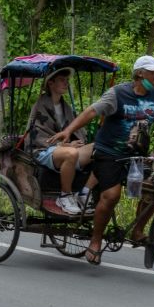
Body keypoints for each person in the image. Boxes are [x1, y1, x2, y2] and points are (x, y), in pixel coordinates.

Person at [49, 55, 154, 266]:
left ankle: (137, 231)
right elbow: (92, 111)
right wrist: (68, 130)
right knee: (111, 195)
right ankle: (96, 241)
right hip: (108, 153)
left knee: (152, 190)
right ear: (140, 74)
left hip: (137, 154)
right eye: (153, 72)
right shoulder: (118, 94)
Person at [26, 68, 94, 214]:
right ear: (51, 83)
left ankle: (83, 194)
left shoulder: (66, 107)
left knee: (99, 148)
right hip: (42, 150)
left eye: (67, 80)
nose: (66, 83)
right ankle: (65, 196)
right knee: (70, 153)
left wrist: (76, 143)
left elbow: (77, 131)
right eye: (62, 80)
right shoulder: (40, 105)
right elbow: (37, 137)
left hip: (67, 150)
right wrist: (66, 145)